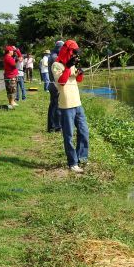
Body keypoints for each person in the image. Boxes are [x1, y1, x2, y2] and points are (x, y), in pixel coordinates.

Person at [52, 39, 89, 173]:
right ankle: (72, 163)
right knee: (68, 135)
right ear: (67, 51)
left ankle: (82, 158)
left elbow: (77, 80)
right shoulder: (56, 65)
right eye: (73, 52)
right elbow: (61, 82)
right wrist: (68, 67)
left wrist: (80, 72)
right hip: (66, 105)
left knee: (84, 131)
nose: (74, 55)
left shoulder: (71, 63)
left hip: (77, 103)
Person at [46, 40, 64, 132]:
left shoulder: (53, 55)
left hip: (53, 84)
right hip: (55, 84)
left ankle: (52, 126)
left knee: (54, 105)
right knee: (56, 106)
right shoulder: (54, 57)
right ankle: (55, 126)